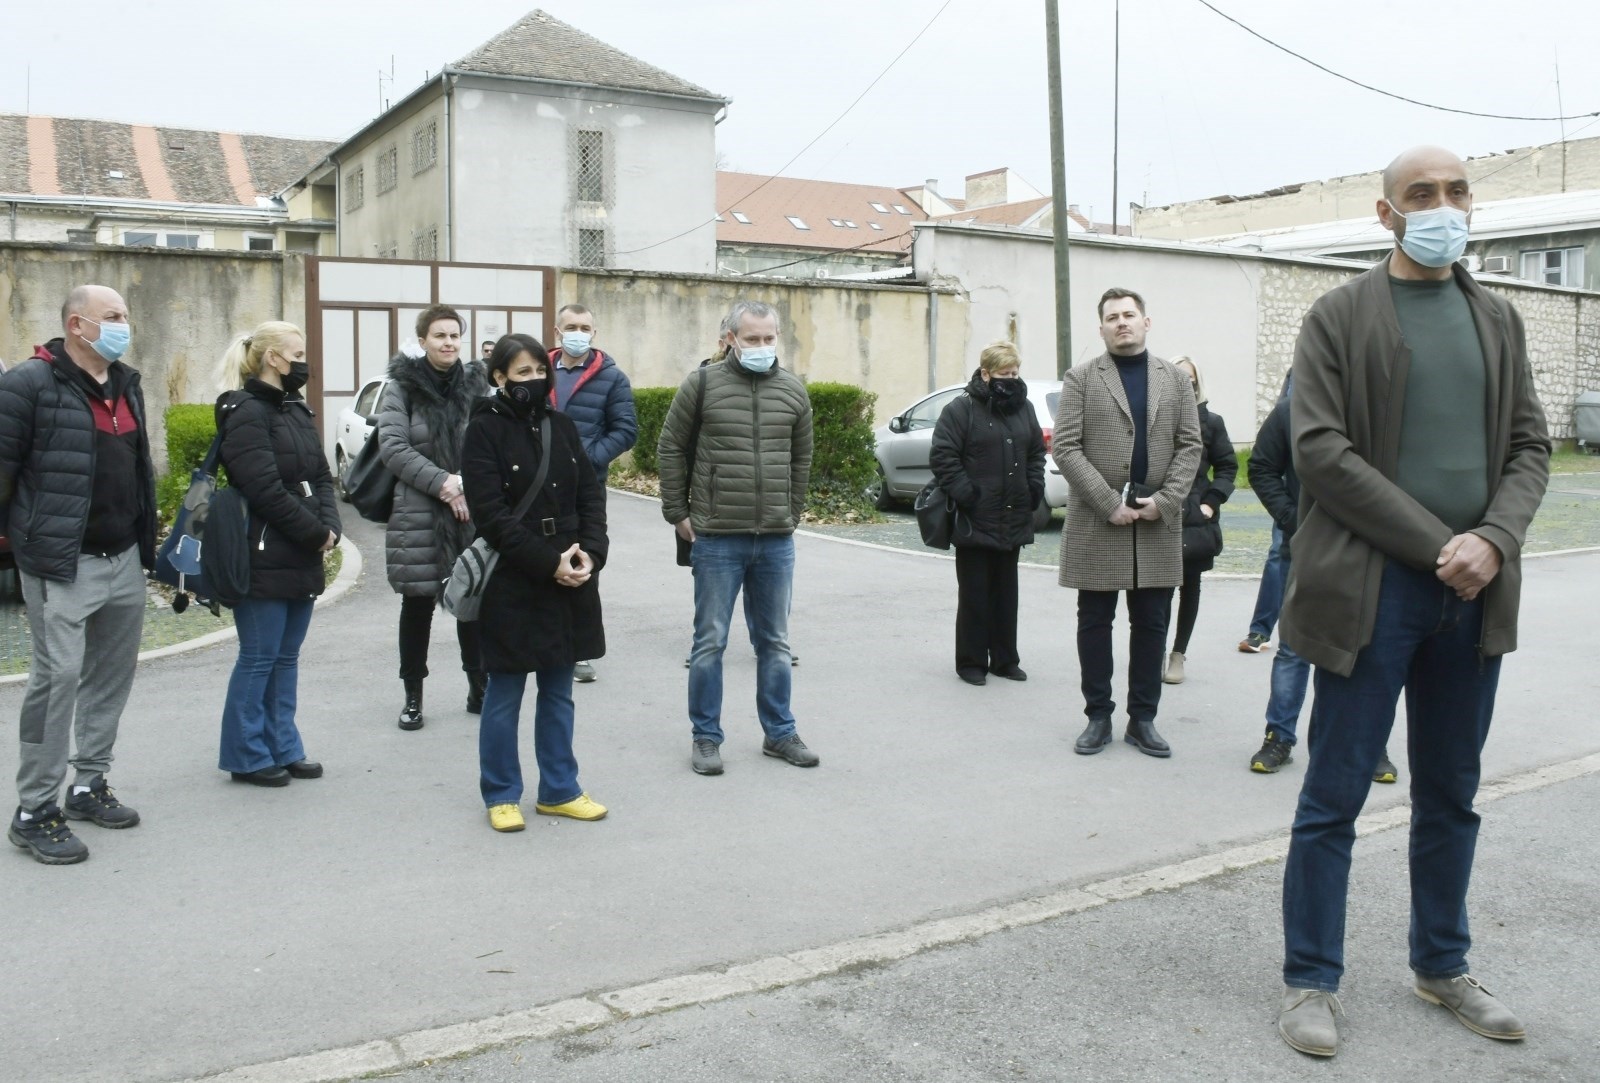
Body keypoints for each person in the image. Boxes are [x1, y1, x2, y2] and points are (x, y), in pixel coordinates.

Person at [1275, 146, 1550, 1058]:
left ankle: (1442, 963)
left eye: (1457, 192)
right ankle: (1311, 978)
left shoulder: (1498, 319)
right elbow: (1320, 450)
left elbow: (1529, 450)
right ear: (1386, 213)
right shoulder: (1340, 315)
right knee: (1333, 795)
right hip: (1373, 591)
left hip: (1473, 595)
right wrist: (1441, 545)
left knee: (1451, 793)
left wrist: (1493, 541)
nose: (1445, 207)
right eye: (1422, 194)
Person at [0, 285, 155, 864]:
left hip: (123, 560)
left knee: (110, 678)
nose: (123, 326)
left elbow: (137, 471)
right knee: (56, 680)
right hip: (61, 565)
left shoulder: (126, 384)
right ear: (76, 324)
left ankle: (89, 784)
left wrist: (147, 548)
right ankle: (34, 809)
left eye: (125, 317)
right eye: (112, 317)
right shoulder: (26, 385)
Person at [658, 300, 817, 776]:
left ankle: (780, 732)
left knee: (774, 642)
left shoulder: (793, 391)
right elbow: (671, 446)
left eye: (769, 339)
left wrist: (791, 513)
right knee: (709, 642)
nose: (762, 347)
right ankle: (706, 738)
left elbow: (801, 459)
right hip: (717, 537)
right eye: (752, 339)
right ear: (729, 338)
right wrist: (676, 512)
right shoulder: (702, 384)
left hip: (774, 540)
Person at [462, 334, 609, 832]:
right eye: (520, 373)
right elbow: (491, 518)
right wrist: (549, 562)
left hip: (571, 572)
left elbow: (591, 497)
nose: (533, 381)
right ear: (499, 377)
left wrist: (590, 554)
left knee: (559, 690)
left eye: (538, 372)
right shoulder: (482, 431)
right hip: (515, 578)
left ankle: (560, 789)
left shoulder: (561, 426)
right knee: (504, 692)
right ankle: (501, 793)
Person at [1054, 287, 1201, 759]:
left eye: (1129, 315)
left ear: (1146, 322)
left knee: (1152, 622)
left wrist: (1166, 500)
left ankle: (1143, 719)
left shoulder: (1174, 381)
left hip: (1157, 521)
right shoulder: (1080, 378)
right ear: (1101, 328)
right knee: (1095, 621)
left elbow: (1189, 446)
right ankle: (1098, 716)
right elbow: (1066, 447)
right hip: (1099, 521)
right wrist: (1105, 502)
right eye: (1112, 317)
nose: (1122, 323)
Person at [1247, 379, 1398, 783]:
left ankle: (1370, 744)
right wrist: (1294, 520)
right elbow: (1261, 468)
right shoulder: (1290, 412)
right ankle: (1279, 737)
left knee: (1365, 649)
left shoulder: (1377, 411)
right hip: (1304, 550)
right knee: (1293, 650)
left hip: (1368, 550)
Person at [212, 322, 342, 787]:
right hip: (263, 550)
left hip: (300, 548)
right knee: (260, 656)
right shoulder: (244, 411)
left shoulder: (294, 409)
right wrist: (315, 533)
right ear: (272, 358)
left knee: (285, 657)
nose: (304, 363)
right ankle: (246, 754)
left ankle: (283, 745)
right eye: (298, 353)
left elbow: (322, 476)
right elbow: (263, 488)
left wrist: (331, 526)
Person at [378, 304, 488, 731]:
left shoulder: (478, 386)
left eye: (455, 336)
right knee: (418, 604)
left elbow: (490, 444)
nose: (448, 343)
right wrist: (444, 483)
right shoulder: (401, 387)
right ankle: (412, 696)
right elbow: (393, 447)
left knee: (473, 600)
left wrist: (466, 486)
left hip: (471, 508)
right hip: (419, 509)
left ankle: (479, 686)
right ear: (422, 340)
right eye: (439, 336)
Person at [929, 340, 1046, 686]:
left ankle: (1005, 659)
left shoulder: (1024, 408)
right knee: (975, 594)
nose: (1011, 379)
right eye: (1004, 373)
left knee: (1006, 594)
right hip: (974, 517)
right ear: (985, 373)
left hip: (1013, 515)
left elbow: (1037, 452)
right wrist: (968, 494)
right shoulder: (960, 410)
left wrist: (1034, 488)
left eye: (1015, 373)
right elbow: (943, 457)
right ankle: (972, 662)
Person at [548, 303, 637, 685]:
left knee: (585, 559)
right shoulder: (539, 370)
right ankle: (548, 641)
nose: (578, 333)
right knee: (544, 558)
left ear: (594, 333)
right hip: (540, 485)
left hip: (587, 488)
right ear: (557, 331)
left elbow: (625, 429)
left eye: (585, 327)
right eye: (571, 326)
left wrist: (587, 464)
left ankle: (581, 651)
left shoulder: (612, 378)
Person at [1162, 357, 1235, 685]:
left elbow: (1228, 466)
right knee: (1158, 589)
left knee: (1189, 586)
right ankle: (1154, 651)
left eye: (1190, 379)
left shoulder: (1212, 422)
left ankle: (1178, 653)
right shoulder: (1156, 417)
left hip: (1195, 515)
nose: (1184, 384)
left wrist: (1211, 503)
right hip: (1161, 512)